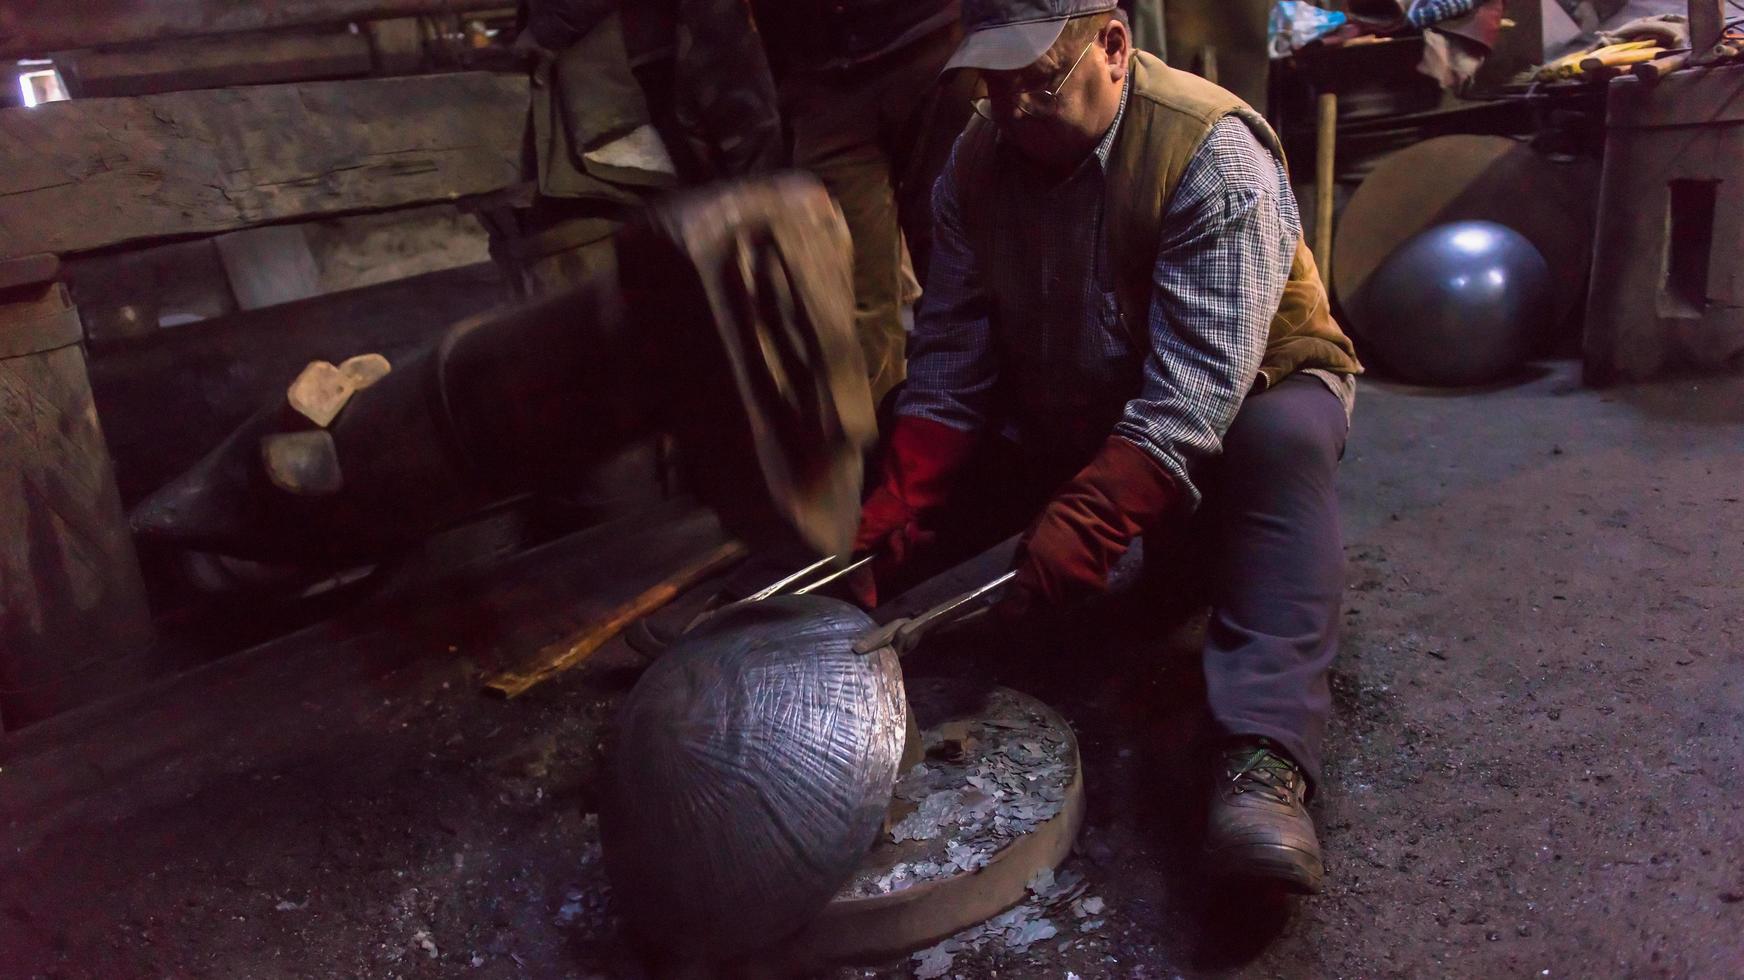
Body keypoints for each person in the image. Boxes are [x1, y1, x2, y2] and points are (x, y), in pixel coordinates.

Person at [851, 0, 1363, 894]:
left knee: (1276, 445)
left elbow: (1193, 394)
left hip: (1236, 392)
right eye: (992, 84)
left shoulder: (1210, 151)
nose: (1008, 109)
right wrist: (904, 498)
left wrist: (1090, 518)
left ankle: (1263, 758)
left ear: (1113, 48)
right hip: (1080, 395)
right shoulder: (976, 159)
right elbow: (951, 357)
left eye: (1035, 82)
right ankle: (816, 620)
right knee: (904, 443)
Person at [751, 0, 977, 404]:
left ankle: (982, 436)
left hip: (935, 48)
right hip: (820, 80)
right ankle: (887, 447)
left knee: (963, 263)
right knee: (851, 304)